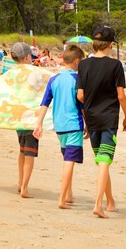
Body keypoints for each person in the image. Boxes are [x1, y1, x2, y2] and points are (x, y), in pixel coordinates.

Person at [77, 25, 126, 219]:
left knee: (102, 161)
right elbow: (121, 96)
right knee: (104, 161)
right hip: (108, 118)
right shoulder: (115, 66)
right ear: (110, 45)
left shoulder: (83, 65)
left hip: (91, 118)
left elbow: (80, 95)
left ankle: (110, 201)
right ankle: (98, 204)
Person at [33, 44, 86, 209]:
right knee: (69, 161)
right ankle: (62, 198)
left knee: (66, 157)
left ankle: (68, 194)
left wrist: (39, 123)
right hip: (74, 124)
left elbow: (45, 102)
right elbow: (81, 102)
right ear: (77, 62)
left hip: (59, 125)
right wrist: (89, 123)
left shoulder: (54, 79)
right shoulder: (78, 79)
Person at [8, 42, 41, 197]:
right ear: (27, 56)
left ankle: (20, 182)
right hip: (30, 119)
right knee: (29, 153)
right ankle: (25, 188)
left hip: (18, 118)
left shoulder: (12, 72)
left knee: (22, 151)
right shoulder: (32, 72)